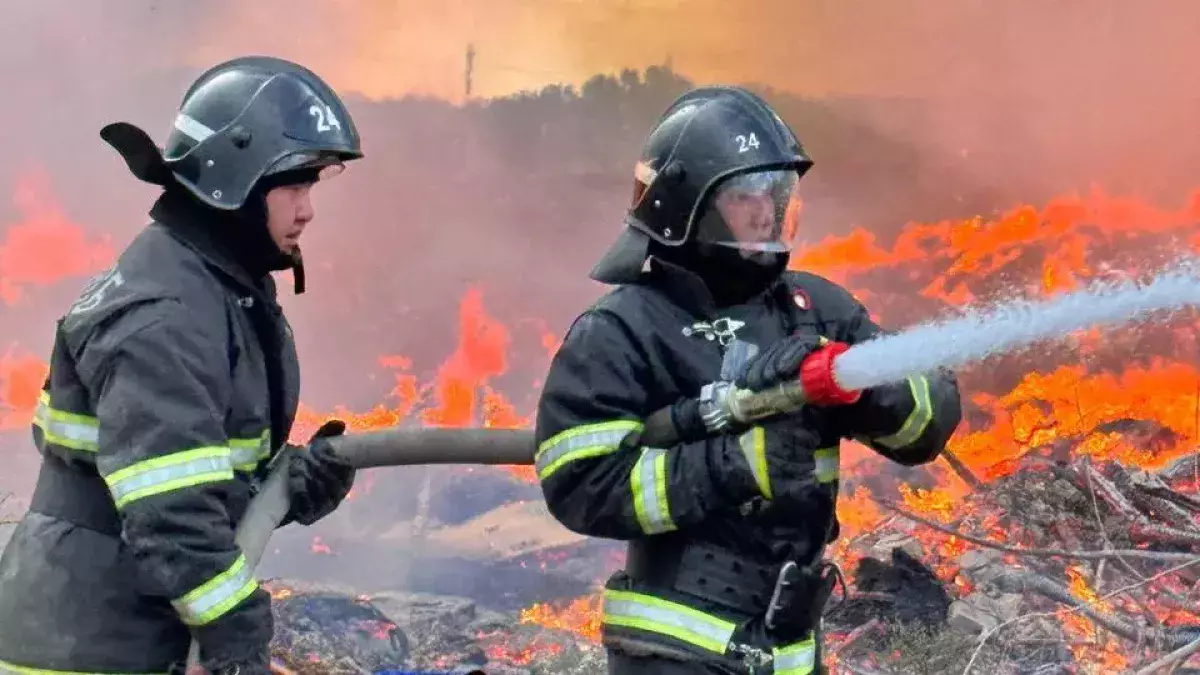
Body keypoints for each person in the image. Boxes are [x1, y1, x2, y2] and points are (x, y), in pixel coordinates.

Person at [534, 86, 963, 675]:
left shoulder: (817, 312)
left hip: (789, 645)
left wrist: (864, 387)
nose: (765, 211)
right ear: (687, 206)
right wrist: (735, 464)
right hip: (672, 645)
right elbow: (580, 484)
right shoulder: (623, 329)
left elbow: (928, 423)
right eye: (743, 195)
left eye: (774, 194)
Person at [0, 56, 363, 675]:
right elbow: (169, 509)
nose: (307, 211)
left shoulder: (211, 285)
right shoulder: (164, 315)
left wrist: (282, 486)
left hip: (122, 625)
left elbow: (183, 463)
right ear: (237, 181)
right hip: (86, 645)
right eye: (293, 186)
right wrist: (235, 630)